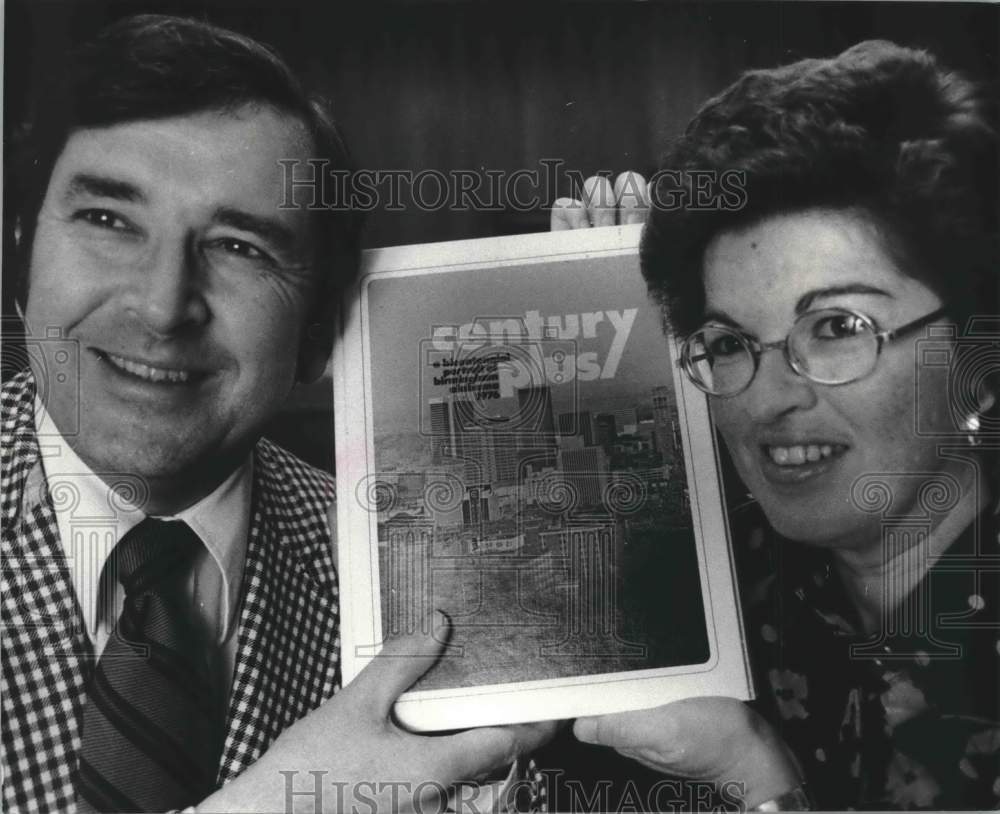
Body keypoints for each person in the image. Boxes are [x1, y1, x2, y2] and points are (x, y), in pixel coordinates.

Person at [1, 14, 551, 813]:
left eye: (240, 248)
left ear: (320, 332)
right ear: (21, 253)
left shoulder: (414, 575)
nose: (162, 307)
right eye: (109, 221)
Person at [551, 40, 999, 810]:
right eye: (728, 343)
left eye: (835, 327)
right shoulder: (717, 591)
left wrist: (757, 777)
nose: (768, 398)